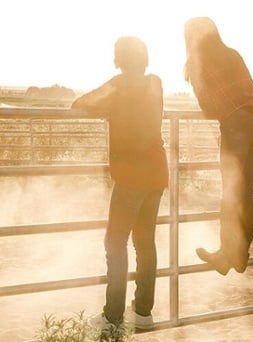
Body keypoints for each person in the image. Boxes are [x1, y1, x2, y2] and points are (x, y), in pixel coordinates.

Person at [71, 36, 168, 329]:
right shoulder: (156, 83)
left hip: (131, 175)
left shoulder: (118, 85)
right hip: (156, 173)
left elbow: (79, 105)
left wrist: (109, 111)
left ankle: (113, 316)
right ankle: (143, 312)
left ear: (119, 58)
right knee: (145, 243)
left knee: (115, 243)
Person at [184, 17, 253, 275]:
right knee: (246, 191)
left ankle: (226, 254)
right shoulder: (232, 54)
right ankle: (240, 253)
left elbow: (205, 103)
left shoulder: (197, 60)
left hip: (238, 124)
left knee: (231, 192)